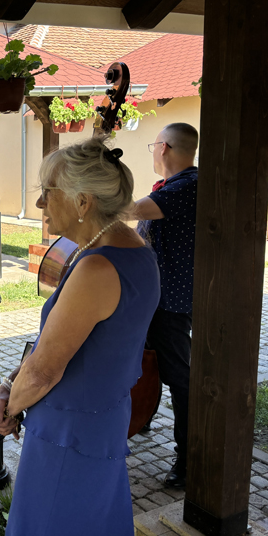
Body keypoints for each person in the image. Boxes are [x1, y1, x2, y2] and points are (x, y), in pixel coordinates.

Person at [0, 137, 160, 536]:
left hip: (69, 431)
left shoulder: (97, 268)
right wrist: (10, 384)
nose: (40, 203)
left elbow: (44, 372)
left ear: (83, 202)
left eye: (48, 192)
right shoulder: (136, 249)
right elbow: (65, 346)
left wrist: (8, 406)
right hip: (102, 419)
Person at [133, 123, 199, 488]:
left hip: (170, 302)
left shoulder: (187, 185)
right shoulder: (172, 185)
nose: (153, 151)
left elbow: (134, 209)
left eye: (153, 145)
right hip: (153, 298)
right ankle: (142, 416)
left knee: (178, 378)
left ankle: (188, 459)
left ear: (164, 148)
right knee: (145, 362)